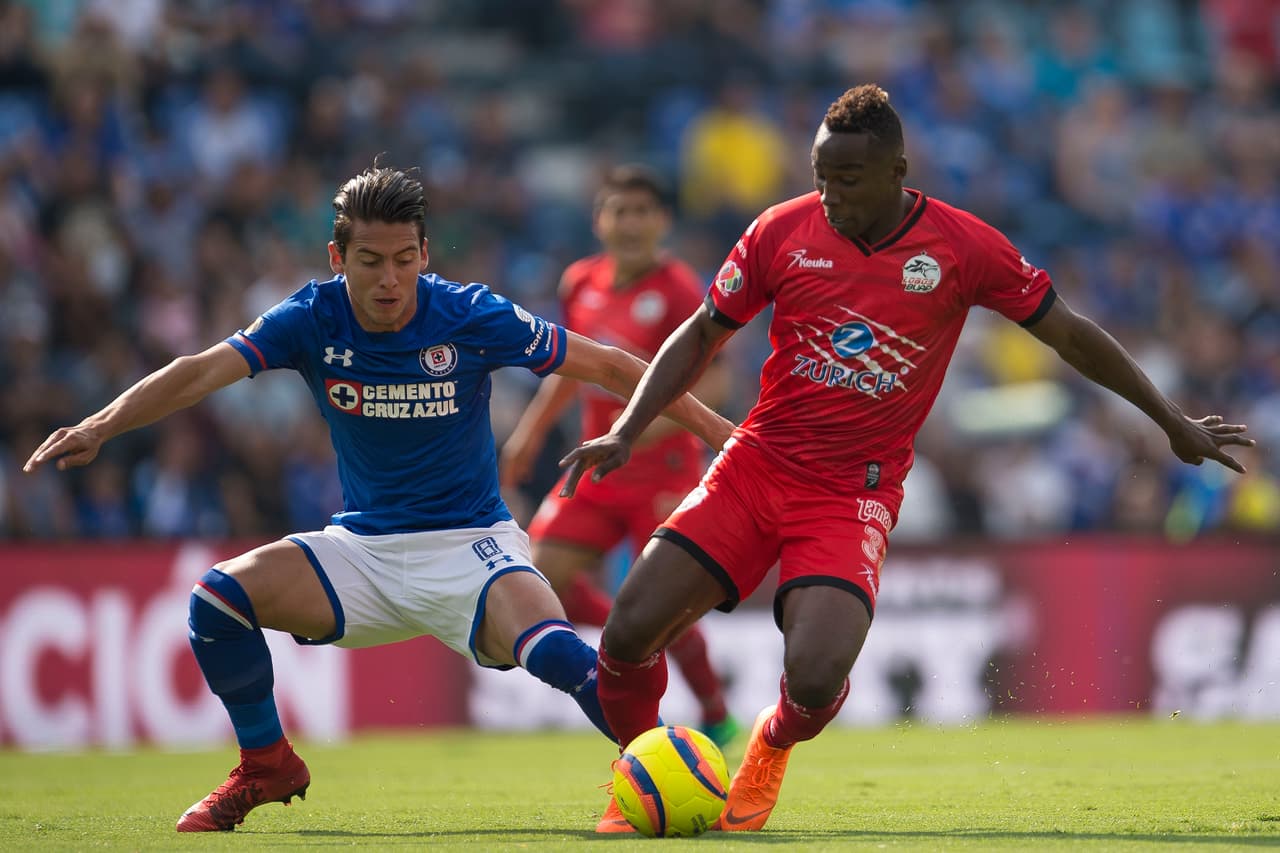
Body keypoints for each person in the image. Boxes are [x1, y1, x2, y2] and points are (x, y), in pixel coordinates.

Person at [560, 85, 1255, 833]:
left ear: (897, 170)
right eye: (821, 176)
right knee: (628, 629)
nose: (829, 196)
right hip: (756, 465)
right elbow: (700, 333)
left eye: (848, 180)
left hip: (850, 494)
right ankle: (645, 776)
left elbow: (1071, 334)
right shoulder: (779, 232)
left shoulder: (963, 247)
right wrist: (630, 426)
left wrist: (1170, 420)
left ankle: (771, 742)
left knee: (817, 676)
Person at [23, 165, 735, 833]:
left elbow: (611, 364)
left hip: (473, 549)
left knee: (556, 651)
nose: (389, 278)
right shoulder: (311, 317)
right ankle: (267, 763)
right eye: (371, 261)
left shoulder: (469, 313)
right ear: (339, 256)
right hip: (360, 551)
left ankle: (653, 770)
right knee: (216, 599)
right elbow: (199, 370)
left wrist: (718, 431)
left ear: (425, 252)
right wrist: (100, 424)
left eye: (403, 258)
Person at [499, 164, 738, 746]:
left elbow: (717, 384)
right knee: (540, 579)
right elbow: (570, 367)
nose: (630, 223)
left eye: (642, 212)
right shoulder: (580, 281)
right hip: (596, 466)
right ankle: (622, 627)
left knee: (662, 600)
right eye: (619, 211)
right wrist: (529, 433)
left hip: (664, 471)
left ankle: (714, 712)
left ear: (663, 222)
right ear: (599, 220)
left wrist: (635, 430)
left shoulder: (680, 288)